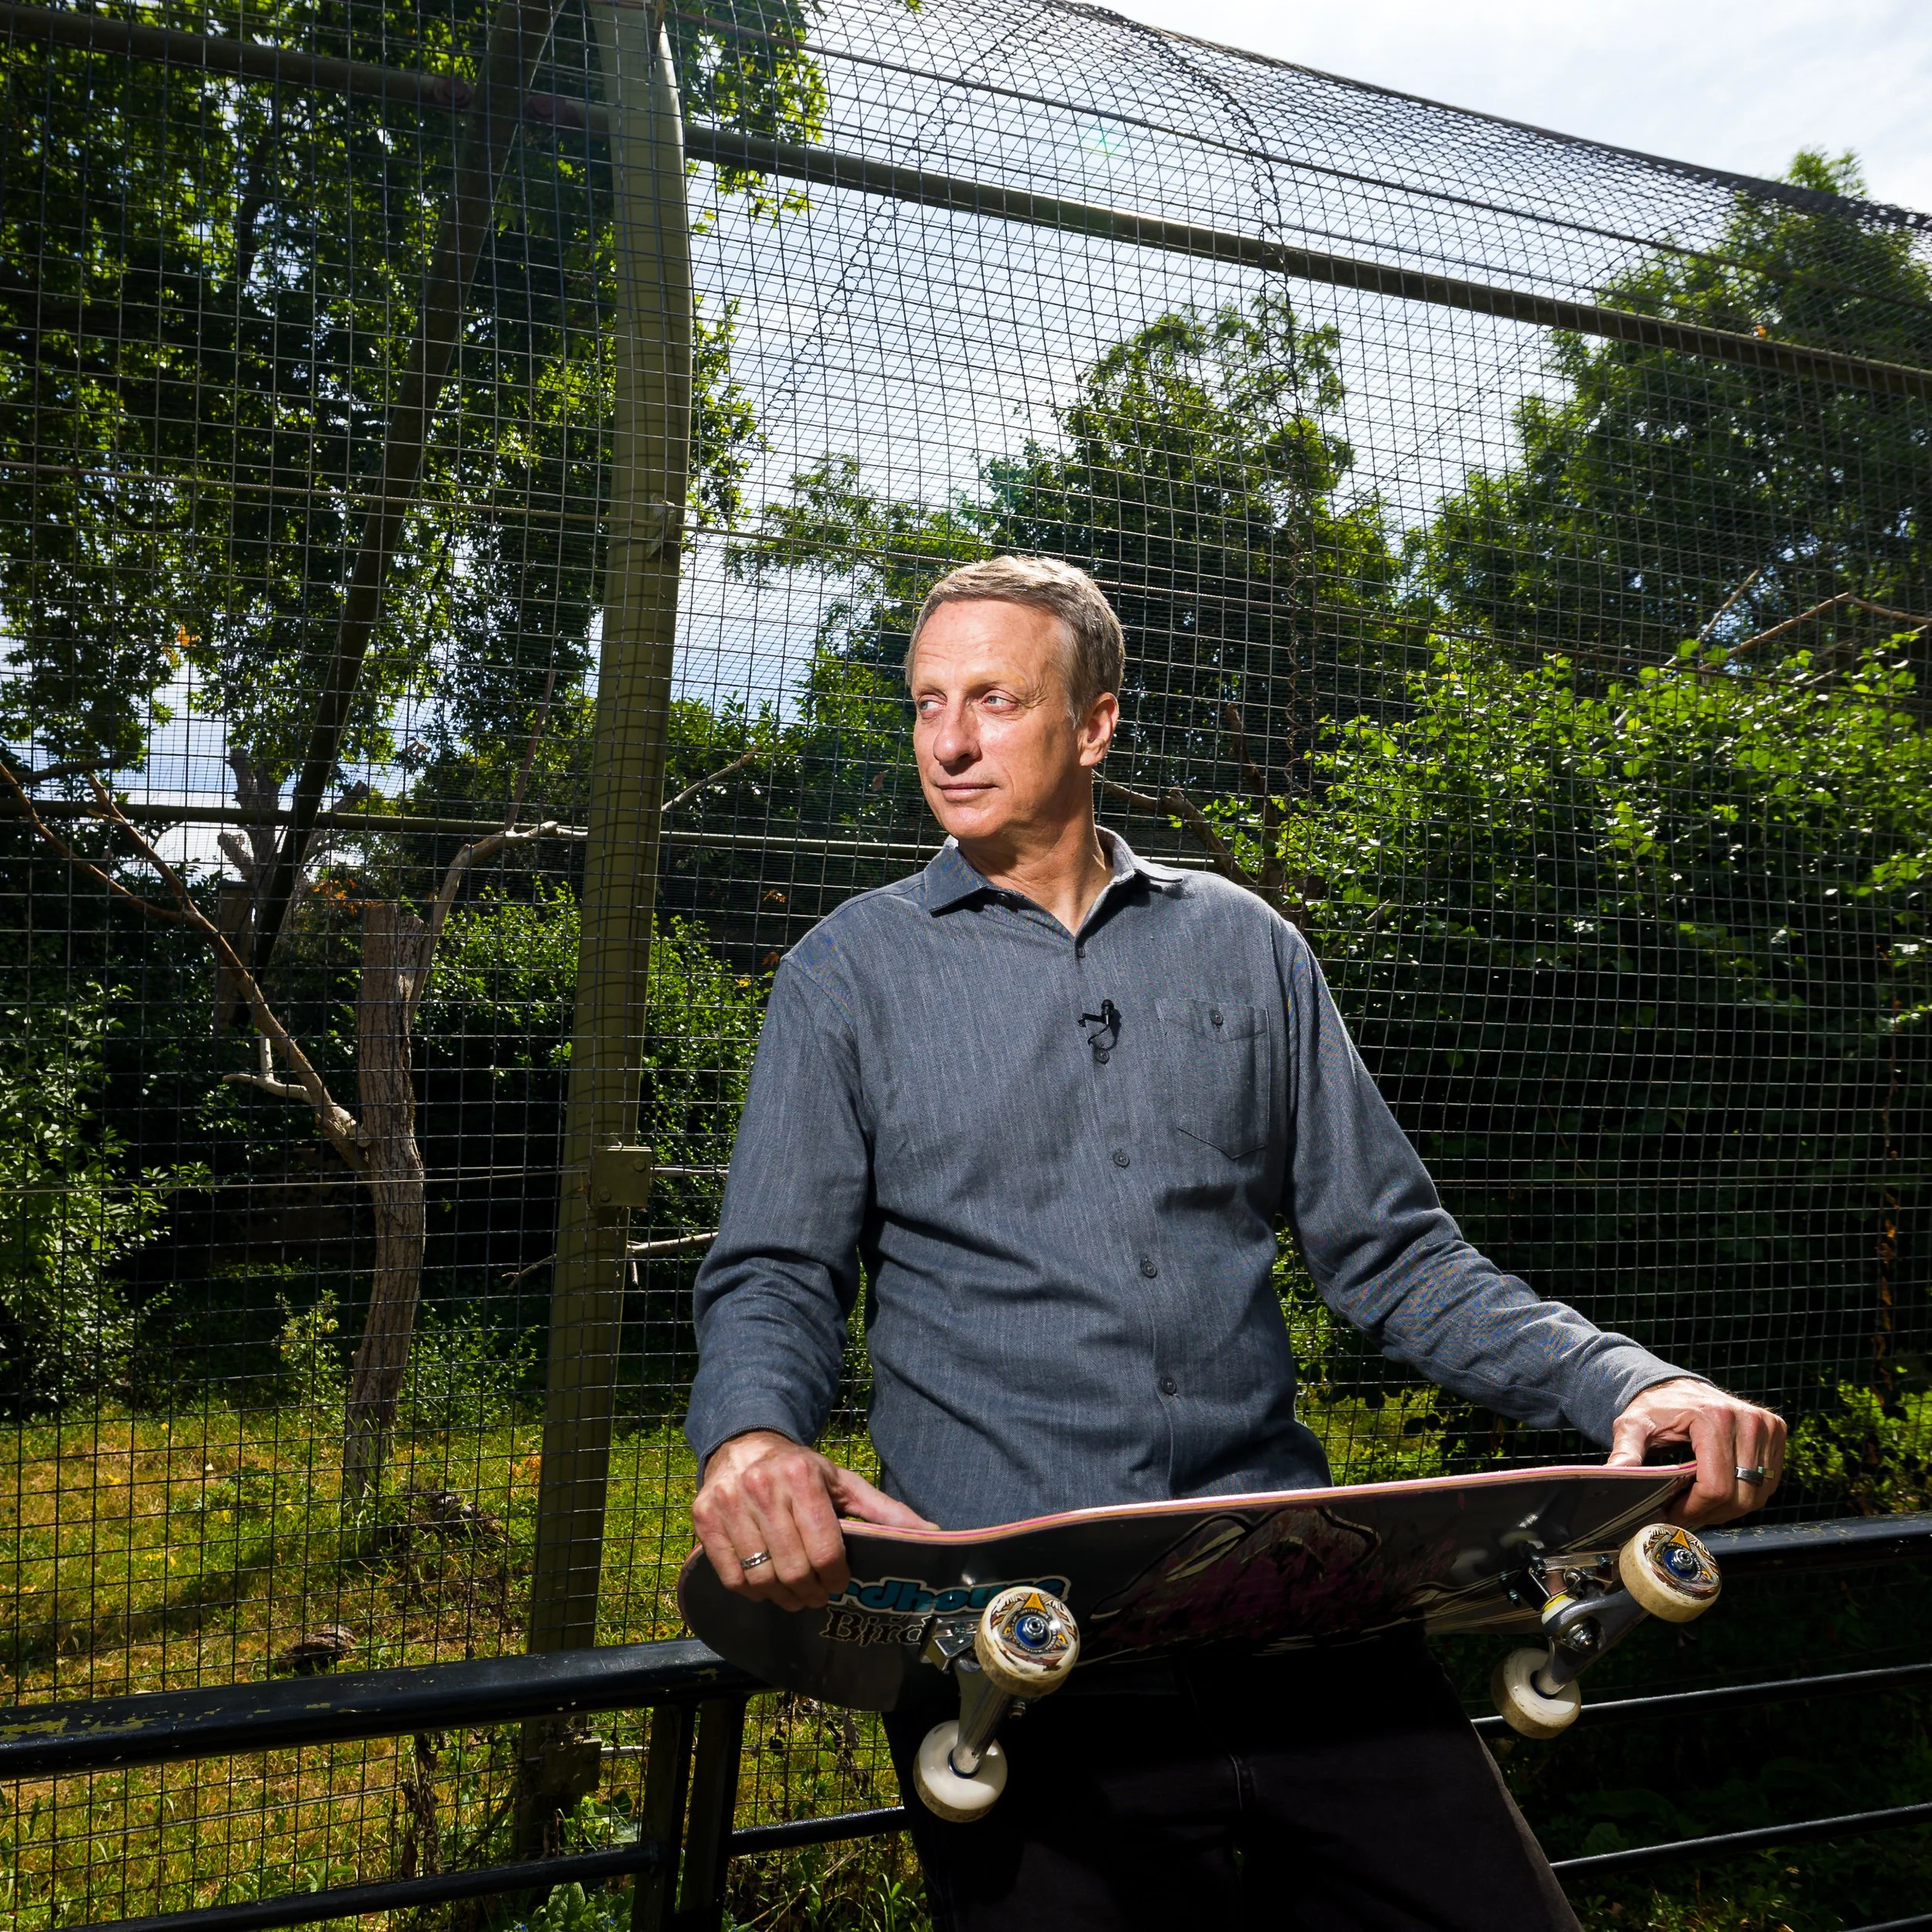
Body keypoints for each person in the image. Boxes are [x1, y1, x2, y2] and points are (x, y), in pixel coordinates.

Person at [685, 556, 1785, 1930]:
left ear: (1095, 722)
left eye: (994, 700)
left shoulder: (1248, 946)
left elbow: (1399, 1256)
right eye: (925, 705)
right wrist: (751, 1439)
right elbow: (775, 1270)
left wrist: (1630, 1382)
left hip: (1298, 1607)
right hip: (1015, 1630)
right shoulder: (846, 975)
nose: (949, 742)